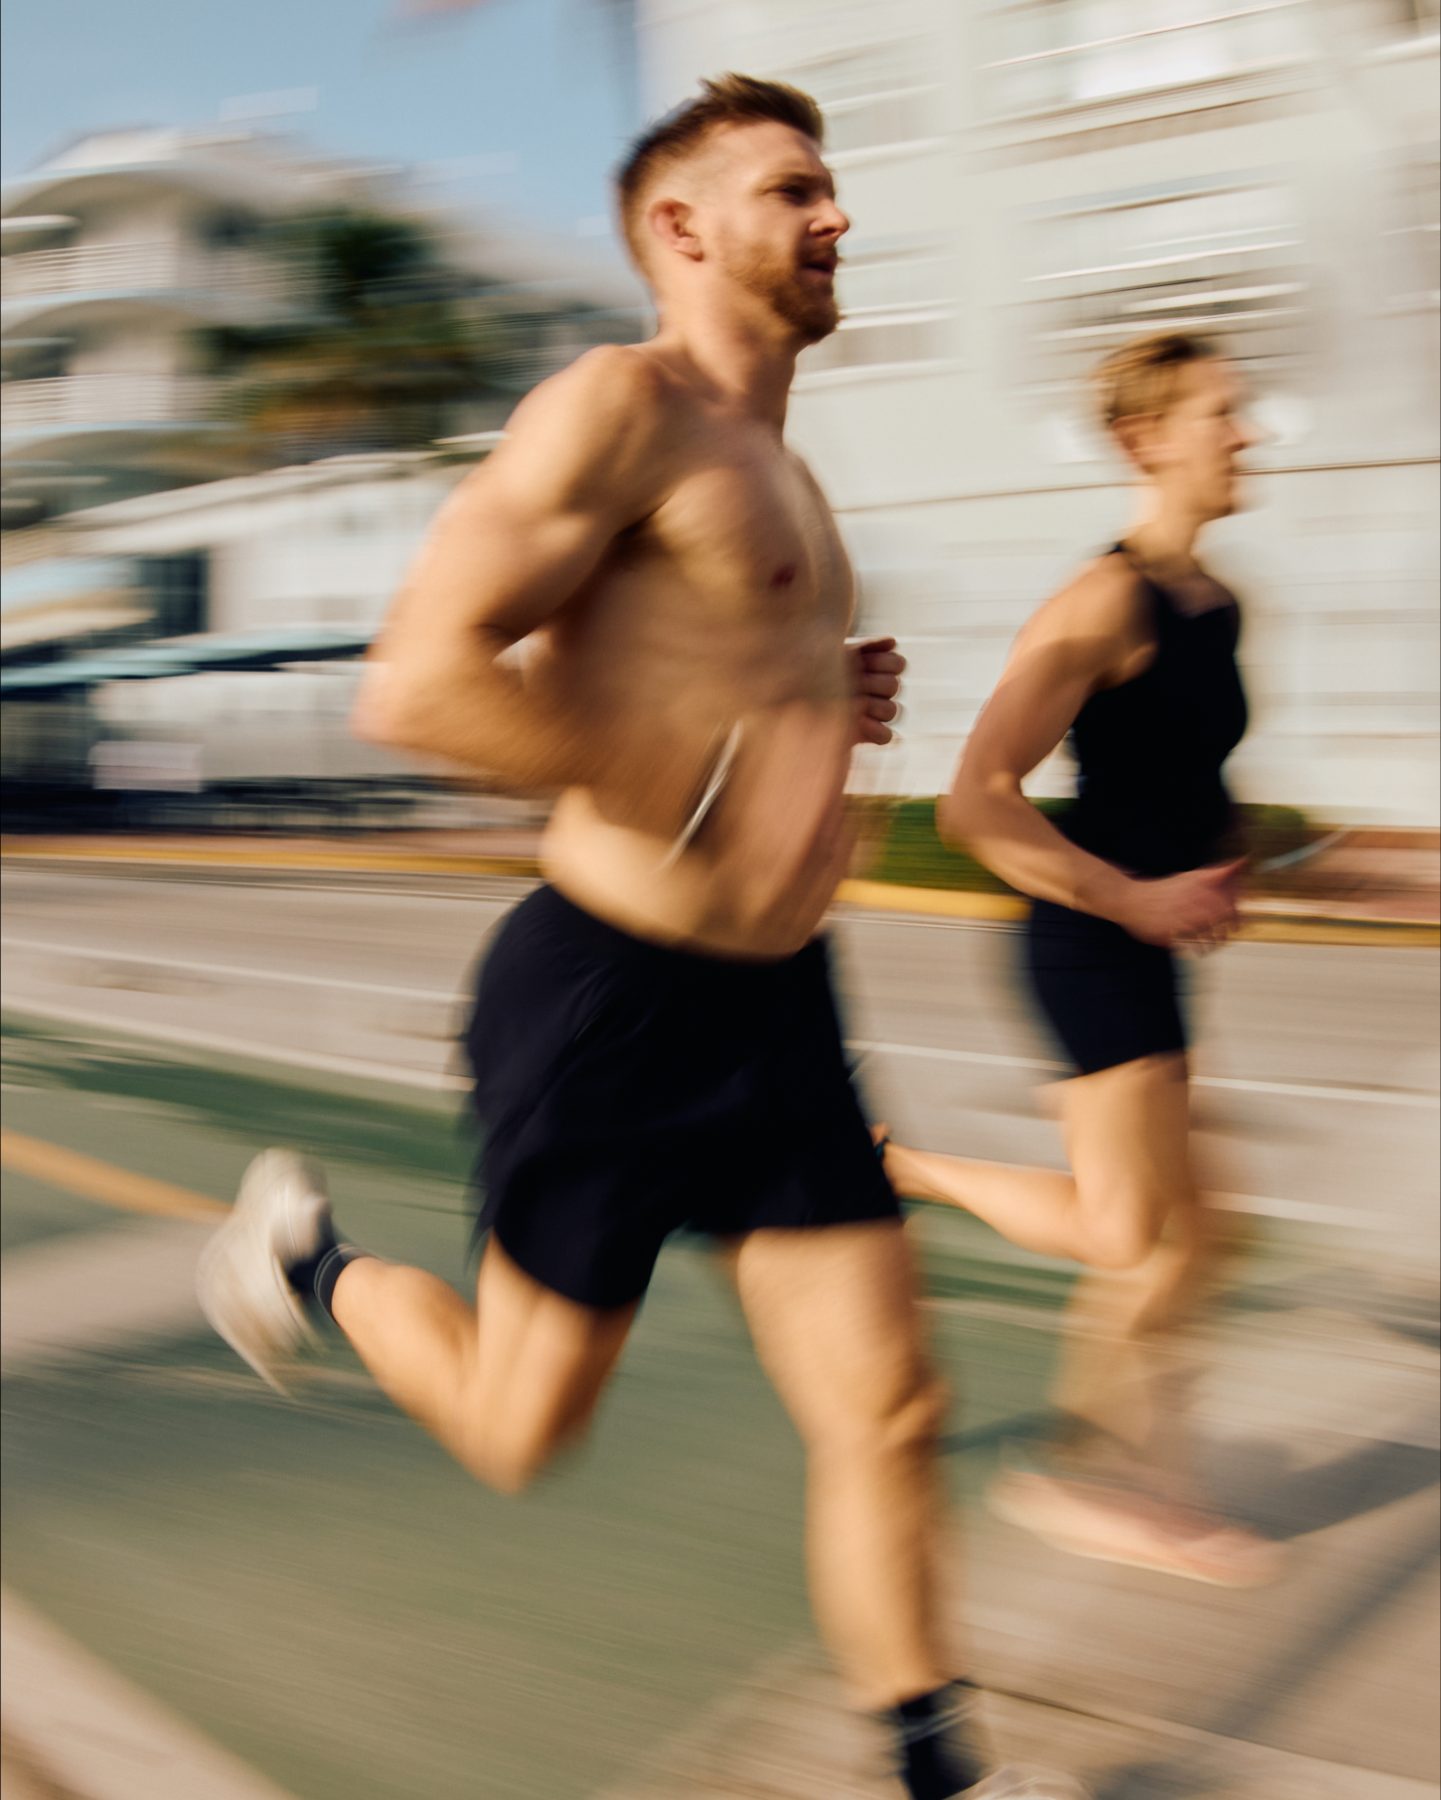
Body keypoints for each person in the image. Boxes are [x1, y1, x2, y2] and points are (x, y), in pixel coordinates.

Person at [196, 75, 1083, 1800]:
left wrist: (825, 693)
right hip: (604, 998)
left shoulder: (788, 475)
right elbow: (421, 678)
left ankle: (934, 1774)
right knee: (522, 1432)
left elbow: (712, 676)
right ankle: (301, 1258)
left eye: (835, 191)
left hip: (776, 1011)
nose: (837, 218)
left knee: (887, 1408)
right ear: (681, 229)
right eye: (795, 189)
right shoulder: (620, 405)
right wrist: (684, 756)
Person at [876, 332, 1281, 1586]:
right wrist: (1138, 899)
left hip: (1144, 937)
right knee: (1127, 1231)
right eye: (1220, 413)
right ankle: (901, 1170)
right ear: (1143, 440)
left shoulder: (1215, 606)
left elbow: (1182, 782)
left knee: (1204, 1233)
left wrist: (1237, 859)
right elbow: (976, 804)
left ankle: (1134, 1471)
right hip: (1085, 938)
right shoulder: (1097, 604)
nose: (1245, 433)